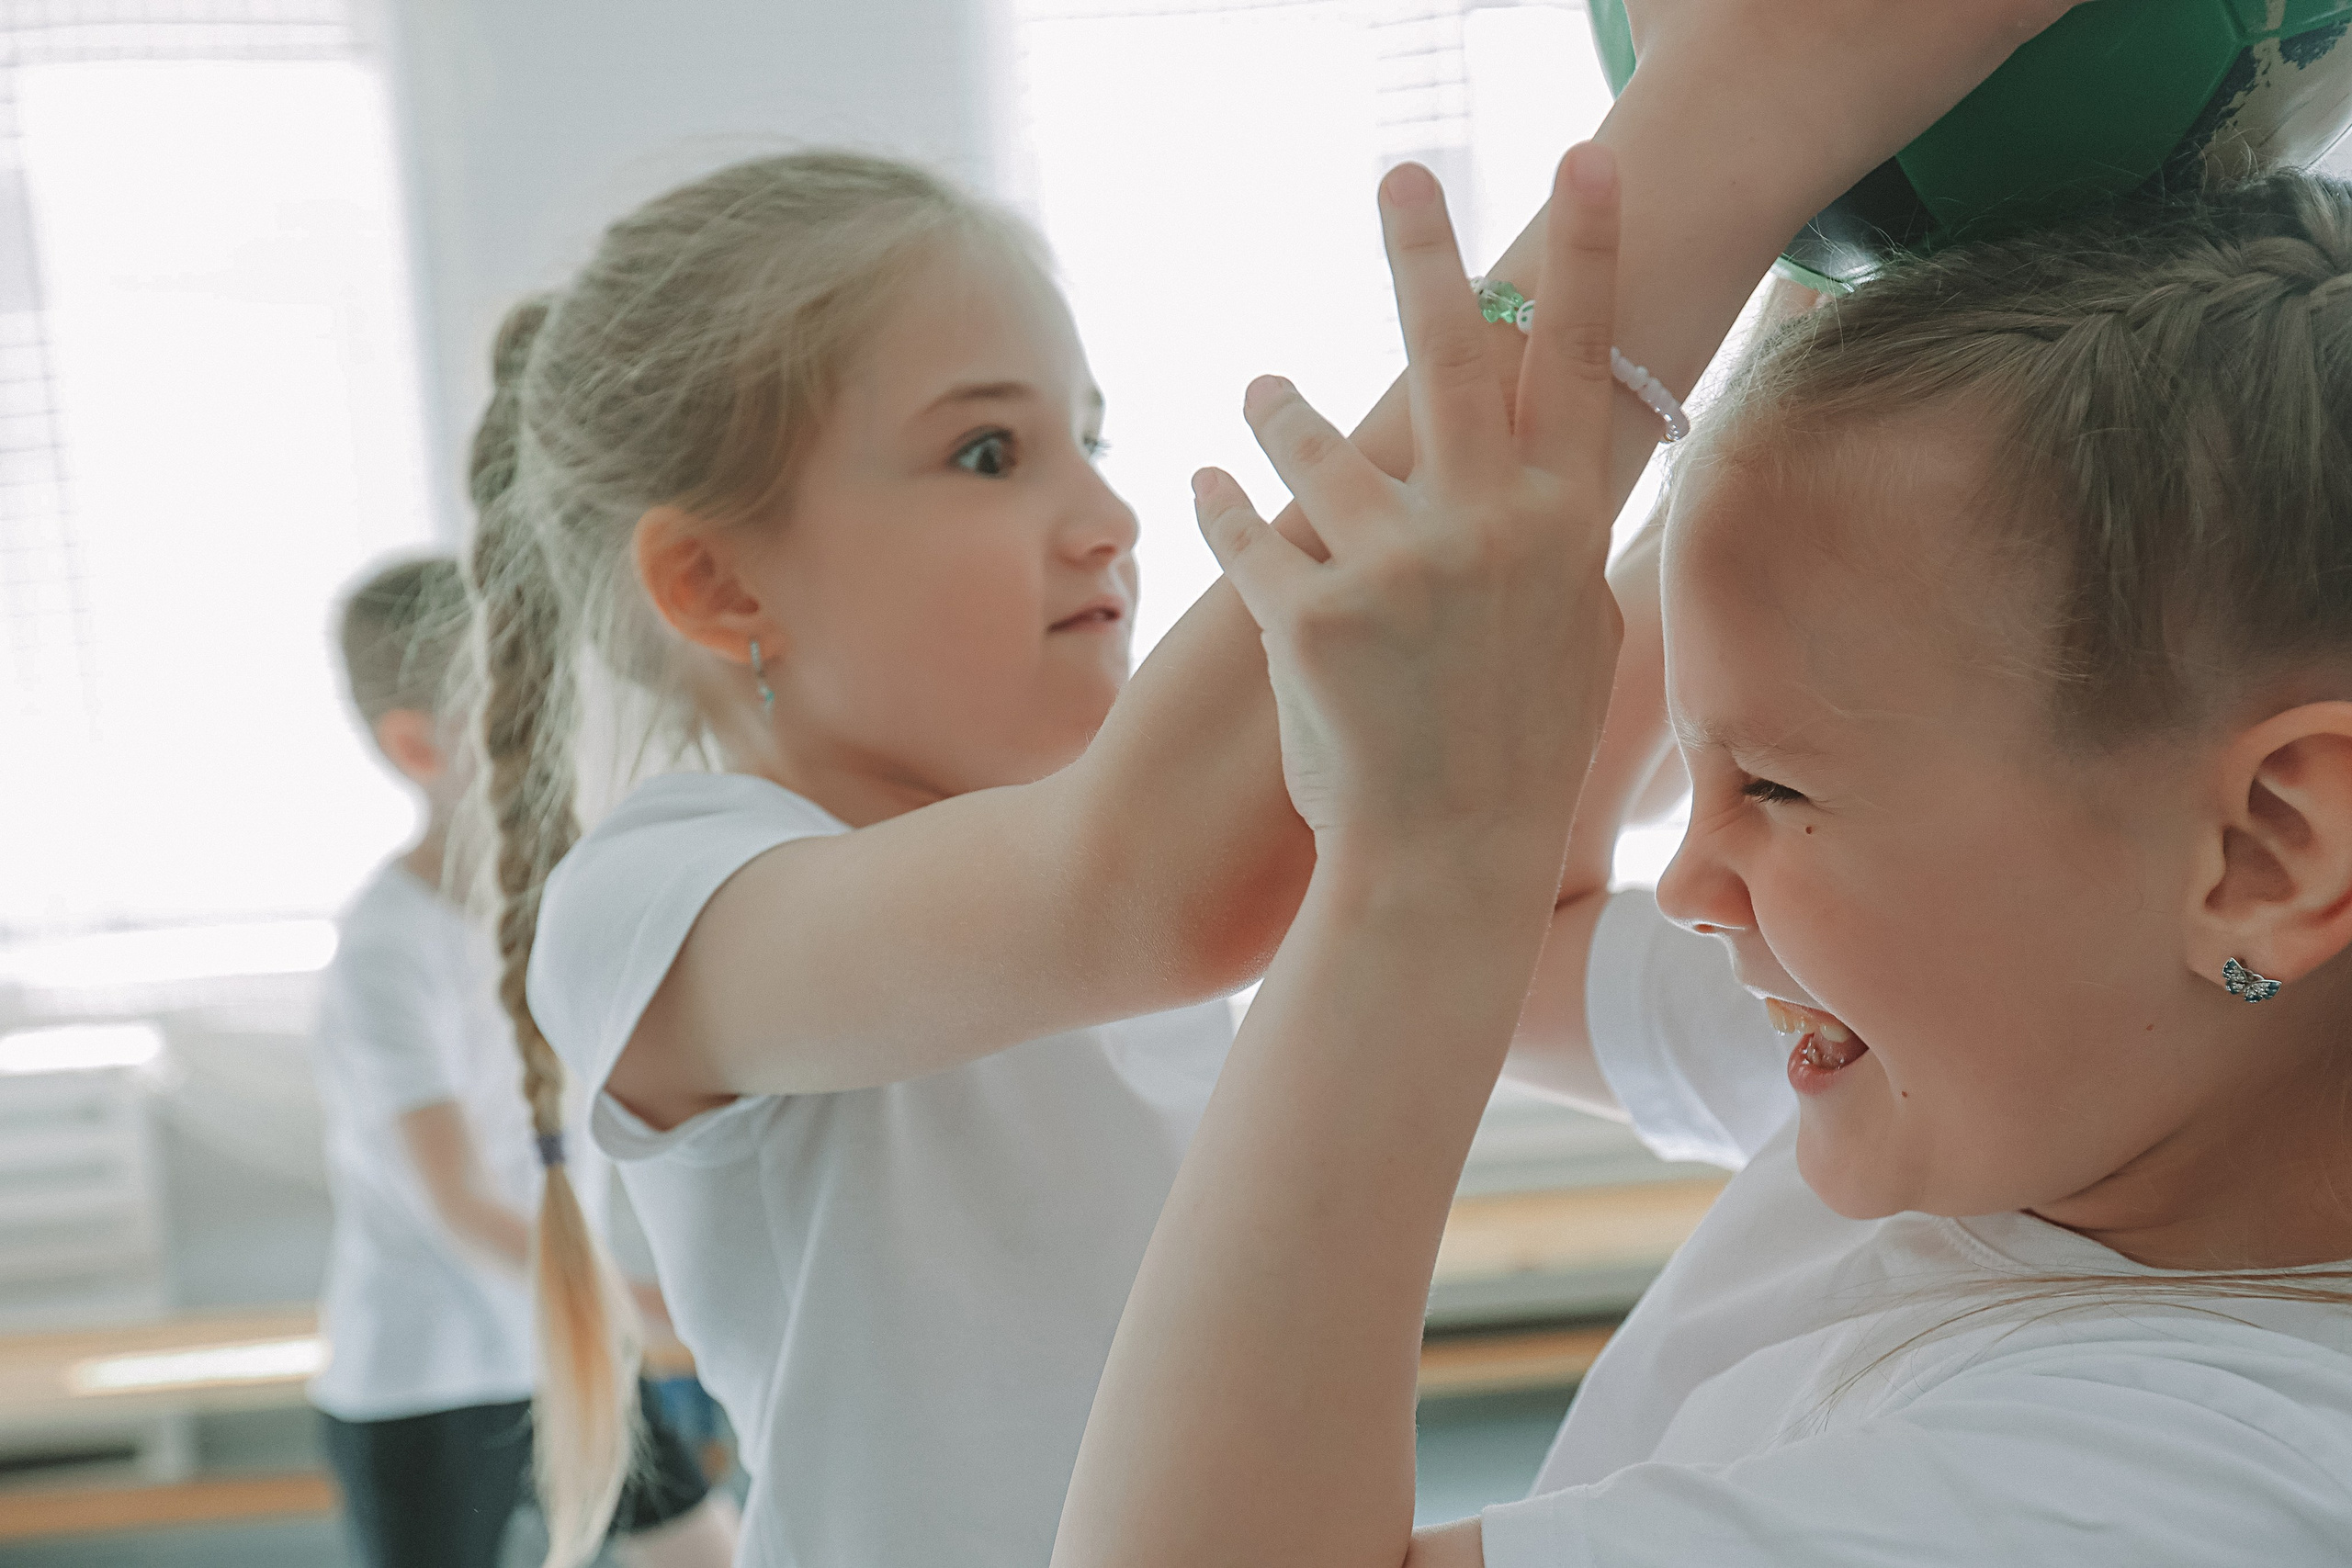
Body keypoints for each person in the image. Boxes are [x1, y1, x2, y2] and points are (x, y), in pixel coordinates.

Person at [469, 5, 2071, 1556]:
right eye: (986, 453)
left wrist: (1809, 270)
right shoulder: (655, 895)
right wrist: (1731, 125)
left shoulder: (1124, 821)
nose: (1107, 512)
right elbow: (1155, 879)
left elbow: (1517, 695)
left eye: (1085, 436)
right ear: (717, 586)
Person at [1048, 17, 2352, 1568]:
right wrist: (1817, 320)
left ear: (2272, 845)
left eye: (1781, 785)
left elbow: (1495, 900)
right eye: (1700, 764)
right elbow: (1548, 926)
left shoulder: (2163, 1488)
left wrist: (1428, 848)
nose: (1691, 876)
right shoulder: (2056, 1074)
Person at [311, 557, 739, 1568]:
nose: (558, 730)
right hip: (431, 1374)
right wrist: (644, 1306)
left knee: (707, 1551)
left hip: (569, 1343)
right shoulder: (386, 949)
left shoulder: (563, 898)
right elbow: (455, 1198)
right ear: (419, 745)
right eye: (519, 706)